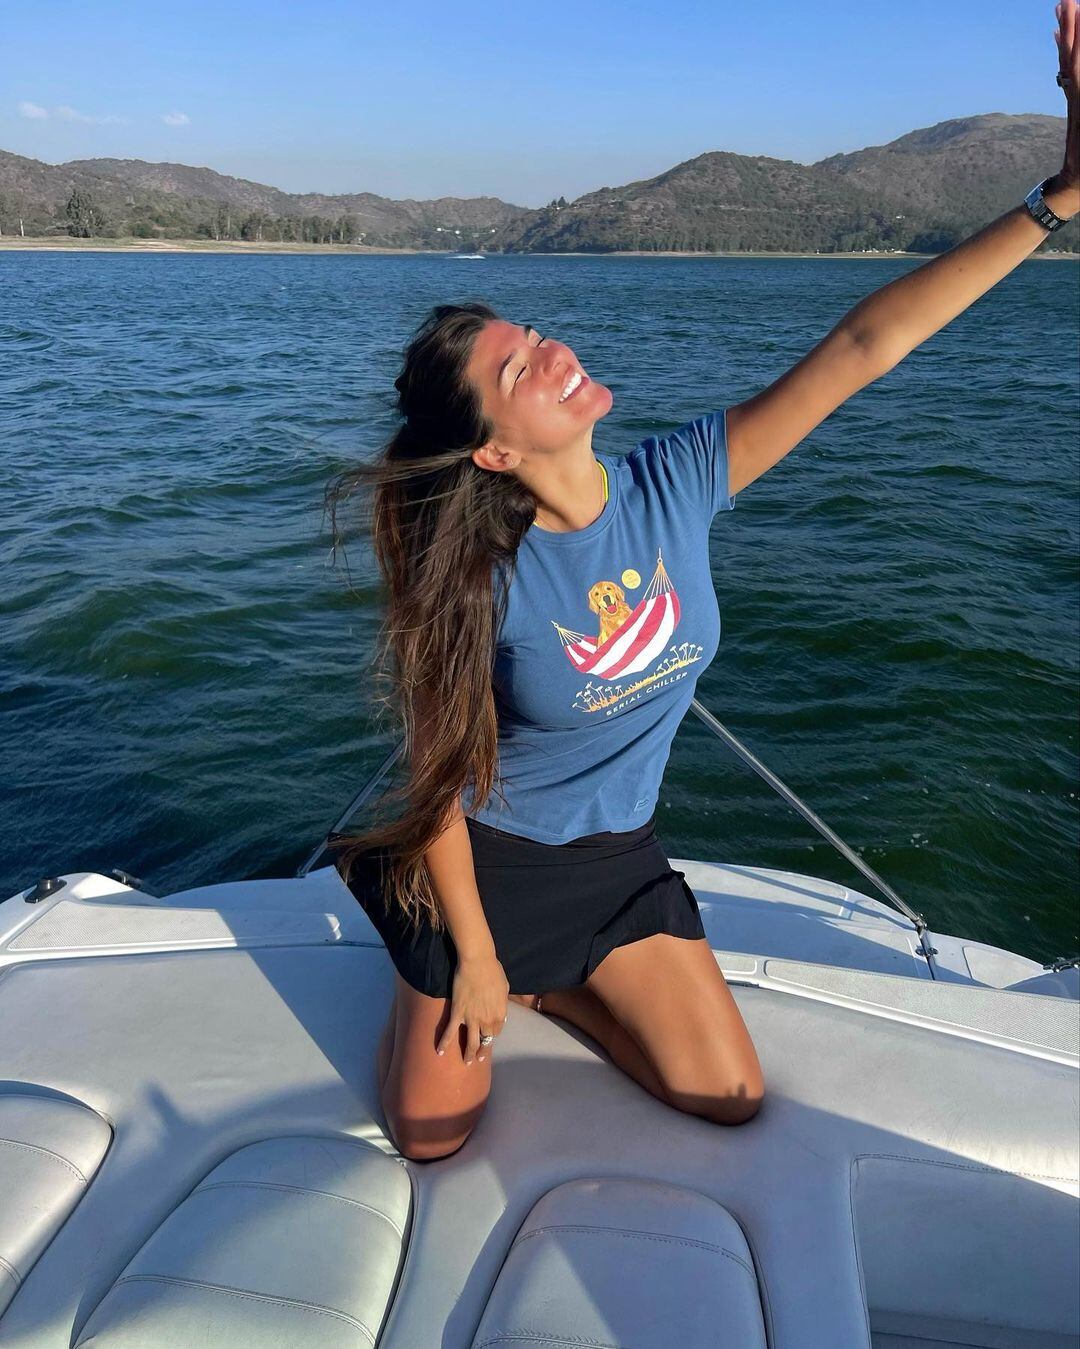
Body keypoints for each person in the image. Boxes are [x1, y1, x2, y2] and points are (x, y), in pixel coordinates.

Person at [325, 3, 1079, 1162]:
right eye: (523, 366)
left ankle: (555, 986)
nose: (556, 352)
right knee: (430, 1139)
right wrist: (474, 954)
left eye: (540, 334)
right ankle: (445, 961)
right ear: (492, 449)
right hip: (483, 867)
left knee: (728, 1094)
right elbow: (434, 790)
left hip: (616, 860)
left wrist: (1058, 199)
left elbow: (861, 350)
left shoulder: (673, 481)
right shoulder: (482, 577)